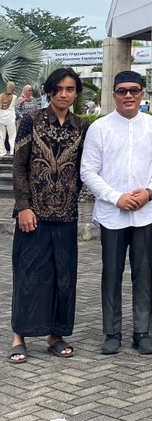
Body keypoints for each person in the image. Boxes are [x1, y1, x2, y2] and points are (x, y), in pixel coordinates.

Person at [81, 70, 152, 355]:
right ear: (113, 94)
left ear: (142, 93)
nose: (128, 95)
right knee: (111, 273)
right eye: (122, 90)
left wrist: (149, 192)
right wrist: (116, 198)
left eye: (134, 90)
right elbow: (88, 171)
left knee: (143, 273)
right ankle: (112, 331)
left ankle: (142, 331)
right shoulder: (100, 128)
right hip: (111, 214)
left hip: (145, 212)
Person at [9, 68, 87, 363]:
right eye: (59, 89)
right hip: (34, 213)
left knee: (63, 276)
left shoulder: (81, 126)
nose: (64, 94)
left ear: (76, 92)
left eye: (70, 89)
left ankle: (56, 334)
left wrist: (71, 192)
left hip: (66, 213)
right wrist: (24, 205)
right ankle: (20, 335)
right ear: (49, 91)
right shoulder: (32, 121)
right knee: (29, 273)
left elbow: (83, 168)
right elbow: (19, 166)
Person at [0, 80, 17, 156]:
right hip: (10, 117)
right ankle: (12, 151)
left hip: (1, 116)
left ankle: (2, 152)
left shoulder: (1, 96)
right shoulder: (15, 97)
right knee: (12, 135)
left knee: (1, 135)